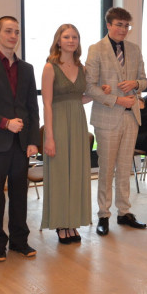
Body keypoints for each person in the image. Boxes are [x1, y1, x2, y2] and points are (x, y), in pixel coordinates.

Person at [0, 16, 40, 261]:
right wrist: (5, 123)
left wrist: (33, 140)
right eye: (8, 31)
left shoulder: (27, 69)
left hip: (21, 143)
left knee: (19, 194)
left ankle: (19, 241)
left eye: (16, 32)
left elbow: (32, 108)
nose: (13, 36)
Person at [85, 7, 147, 235]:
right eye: (119, 24)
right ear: (109, 25)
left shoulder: (134, 49)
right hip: (107, 117)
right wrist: (116, 100)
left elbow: (144, 81)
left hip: (131, 117)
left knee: (124, 168)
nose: (123, 29)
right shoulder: (96, 49)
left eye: (126, 25)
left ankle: (124, 212)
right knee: (106, 169)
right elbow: (89, 86)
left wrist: (135, 84)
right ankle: (103, 214)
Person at [41, 24, 92, 243]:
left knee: (77, 172)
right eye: (67, 37)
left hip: (78, 123)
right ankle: (61, 223)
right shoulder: (50, 67)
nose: (71, 40)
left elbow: (79, 98)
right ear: (58, 41)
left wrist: (98, 94)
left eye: (75, 37)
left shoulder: (82, 68)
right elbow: (47, 103)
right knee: (60, 173)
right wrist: (49, 137)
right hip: (58, 123)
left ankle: (73, 222)